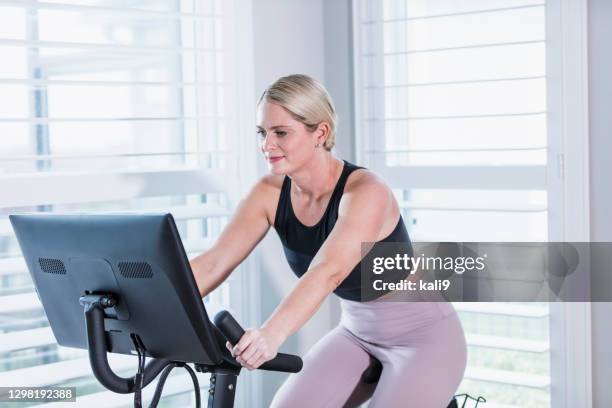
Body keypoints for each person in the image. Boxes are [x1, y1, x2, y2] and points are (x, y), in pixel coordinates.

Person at [189, 74, 467, 407]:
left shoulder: (365, 192)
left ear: (320, 133)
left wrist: (272, 334)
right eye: (262, 133)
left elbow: (328, 271)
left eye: (281, 133)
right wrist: (145, 302)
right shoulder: (268, 194)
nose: (267, 145)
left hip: (424, 337)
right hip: (357, 333)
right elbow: (215, 262)